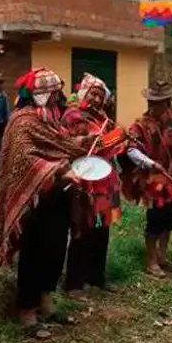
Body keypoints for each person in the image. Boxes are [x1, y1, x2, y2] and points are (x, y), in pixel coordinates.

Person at [0, 67, 88, 339]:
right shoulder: (22, 121)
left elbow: (61, 144)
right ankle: (26, 309)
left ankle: (45, 300)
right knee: (34, 251)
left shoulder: (50, 119)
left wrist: (85, 143)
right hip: (32, 199)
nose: (57, 98)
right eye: (53, 93)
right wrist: (58, 170)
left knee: (55, 249)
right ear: (40, 94)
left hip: (57, 196)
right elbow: (25, 159)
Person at [120, 80, 172, 278]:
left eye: (160, 101)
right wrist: (150, 163)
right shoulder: (140, 125)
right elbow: (131, 150)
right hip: (154, 179)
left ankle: (162, 256)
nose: (155, 105)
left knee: (169, 218)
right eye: (152, 101)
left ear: (167, 102)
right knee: (155, 219)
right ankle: (151, 261)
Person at [62, 73, 125, 298]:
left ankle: (96, 276)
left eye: (100, 95)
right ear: (82, 94)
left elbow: (110, 143)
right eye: (93, 94)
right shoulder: (73, 116)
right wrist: (101, 140)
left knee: (102, 229)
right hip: (85, 182)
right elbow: (71, 144)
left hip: (105, 183)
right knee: (82, 230)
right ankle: (74, 283)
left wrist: (120, 137)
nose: (97, 99)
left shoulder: (102, 118)